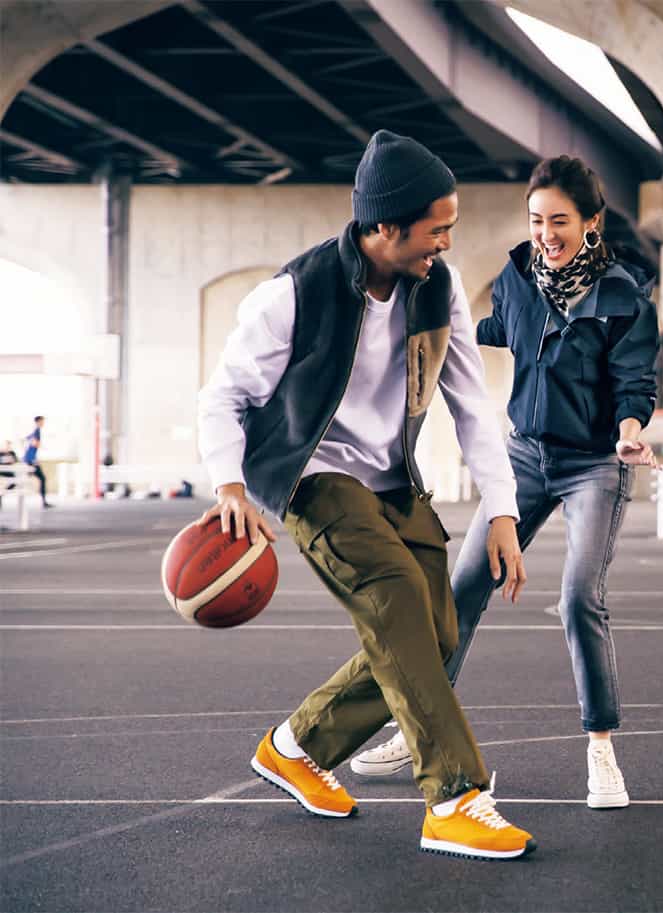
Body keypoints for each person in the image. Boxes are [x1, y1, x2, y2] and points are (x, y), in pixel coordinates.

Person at [195, 131, 536, 860]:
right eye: (435, 229)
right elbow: (223, 397)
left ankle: (298, 745)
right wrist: (230, 484)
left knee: (435, 636)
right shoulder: (293, 294)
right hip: (313, 476)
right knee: (396, 600)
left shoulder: (439, 289)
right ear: (385, 226)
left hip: (394, 478)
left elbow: (474, 407)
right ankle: (455, 797)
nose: (446, 242)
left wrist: (502, 510)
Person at [350, 154, 660, 810]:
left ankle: (601, 747)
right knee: (461, 588)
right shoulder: (519, 277)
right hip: (524, 456)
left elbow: (635, 380)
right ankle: (419, 729)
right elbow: (493, 330)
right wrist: (413, 321)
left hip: (595, 463)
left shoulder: (624, 296)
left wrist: (631, 430)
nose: (546, 233)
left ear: (592, 222)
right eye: (537, 219)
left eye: (560, 221)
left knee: (579, 597)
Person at [22, 416, 52, 508]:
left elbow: (25, 440)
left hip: (28, 459)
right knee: (42, 478)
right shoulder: (37, 431)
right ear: (38, 422)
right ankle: (44, 502)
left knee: (22, 479)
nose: (43, 423)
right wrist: (40, 446)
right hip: (31, 460)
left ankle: (44, 501)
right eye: (42, 421)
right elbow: (35, 443)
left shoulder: (33, 432)